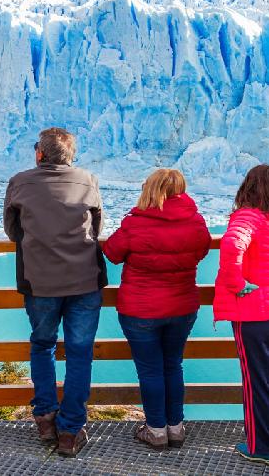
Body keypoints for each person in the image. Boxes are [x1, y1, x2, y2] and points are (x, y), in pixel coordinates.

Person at [4, 127, 105, 458]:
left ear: (39, 154)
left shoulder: (20, 182)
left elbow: (12, 230)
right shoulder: (88, 180)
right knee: (79, 353)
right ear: (71, 156)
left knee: (43, 344)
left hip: (40, 281)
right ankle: (71, 432)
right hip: (84, 281)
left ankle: (46, 419)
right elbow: (98, 228)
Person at [102, 168, 210, 451]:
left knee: (150, 371)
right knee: (173, 365)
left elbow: (112, 253)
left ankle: (156, 430)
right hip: (182, 307)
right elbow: (201, 249)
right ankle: (176, 428)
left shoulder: (135, 223)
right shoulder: (195, 222)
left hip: (140, 311)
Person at [214, 165, 269, 466]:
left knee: (257, 382)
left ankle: (266, 447)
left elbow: (231, 244)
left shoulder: (248, 215)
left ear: (248, 189)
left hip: (257, 314)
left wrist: (236, 284)